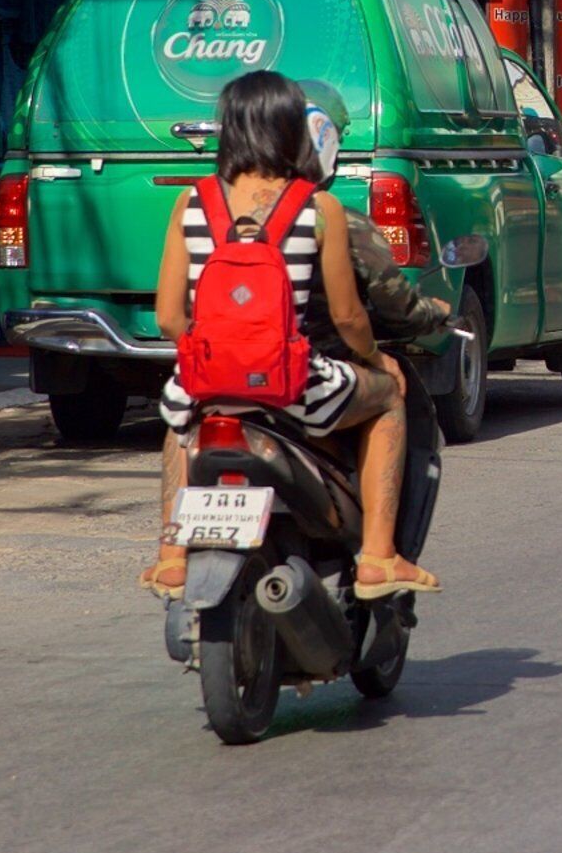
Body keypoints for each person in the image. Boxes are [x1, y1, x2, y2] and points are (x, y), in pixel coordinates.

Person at [145, 70, 434, 600]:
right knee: (390, 397)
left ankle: (170, 558)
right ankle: (376, 558)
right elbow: (348, 318)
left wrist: (210, 356)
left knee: (182, 408)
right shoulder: (318, 209)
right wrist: (374, 361)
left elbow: (168, 317)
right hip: (293, 384)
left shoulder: (190, 204)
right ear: (291, 132)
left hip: (212, 380)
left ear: (229, 129)